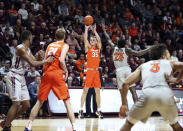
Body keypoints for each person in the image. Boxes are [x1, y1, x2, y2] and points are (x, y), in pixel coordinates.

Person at [119, 44, 183, 131]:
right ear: (163, 55)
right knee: (176, 125)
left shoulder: (143, 66)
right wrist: (176, 80)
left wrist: (123, 104)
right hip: (164, 94)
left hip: (147, 94)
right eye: (167, 53)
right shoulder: (170, 62)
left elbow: (125, 83)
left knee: (128, 124)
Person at [24, 28, 76, 131]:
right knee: (67, 102)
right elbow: (61, 60)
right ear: (64, 37)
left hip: (46, 73)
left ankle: (28, 126)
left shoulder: (50, 45)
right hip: (57, 74)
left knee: (39, 102)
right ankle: (74, 127)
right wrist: (66, 71)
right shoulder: (65, 45)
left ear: (55, 37)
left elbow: (45, 60)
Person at [1, 30, 54, 131]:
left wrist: (39, 56)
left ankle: (7, 122)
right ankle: (6, 127)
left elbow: (34, 60)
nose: (32, 38)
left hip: (21, 77)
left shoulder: (28, 50)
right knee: (16, 103)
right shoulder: (20, 48)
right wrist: (46, 61)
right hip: (14, 76)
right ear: (28, 37)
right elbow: (33, 64)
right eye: (31, 37)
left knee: (26, 105)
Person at [102, 21, 151, 105]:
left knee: (123, 94)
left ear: (117, 43)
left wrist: (103, 29)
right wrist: (148, 49)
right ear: (124, 45)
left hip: (119, 71)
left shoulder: (114, 48)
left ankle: (126, 111)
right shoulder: (127, 50)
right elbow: (139, 53)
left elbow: (108, 39)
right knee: (133, 91)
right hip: (127, 70)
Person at [78, 24, 103, 119]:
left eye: (94, 40)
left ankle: (99, 110)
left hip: (96, 72)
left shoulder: (98, 48)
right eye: (91, 40)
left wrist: (95, 31)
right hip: (89, 72)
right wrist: (86, 29)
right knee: (85, 91)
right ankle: (81, 110)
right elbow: (85, 39)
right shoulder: (88, 47)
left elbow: (100, 40)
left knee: (98, 92)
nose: (92, 41)